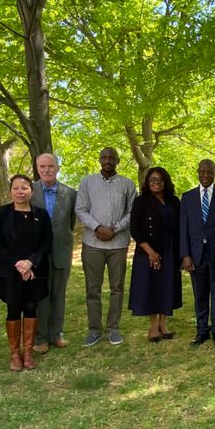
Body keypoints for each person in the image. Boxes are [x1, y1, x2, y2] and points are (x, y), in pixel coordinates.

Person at [75, 147, 137, 346]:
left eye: (112, 157)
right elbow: (81, 210)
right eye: (104, 157)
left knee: (117, 288)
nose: (108, 160)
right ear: (100, 159)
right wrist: (98, 227)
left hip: (118, 244)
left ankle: (113, 329)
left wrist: (115, 229)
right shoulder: (87, 182)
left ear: (118, 160)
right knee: (92, 289)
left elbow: (132, 212)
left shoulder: (127, 184)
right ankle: (94, 330)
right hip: (92, 243)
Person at [0, 174, 53, 371]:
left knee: (31, 307)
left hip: (34, 270)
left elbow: (46, 242)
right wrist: (18, 264)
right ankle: (15, 354)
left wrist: (31, 262)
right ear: (10, 191)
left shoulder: (41, 214)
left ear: (31, 191)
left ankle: (28, 353)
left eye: (24, 188)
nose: (20, 192)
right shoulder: (0, 214)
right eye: (16, 188)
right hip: (9, 272)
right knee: (13, 309)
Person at [180, 159, 215, 347]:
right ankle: (202, 331)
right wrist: (185, 255)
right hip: (195, 255)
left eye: (209, 172)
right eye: (202, 171)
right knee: (199, 294)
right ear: (197, 172)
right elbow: (183, 228)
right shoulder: (188, 197)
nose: (205, 175)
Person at [129, 166, 183, 341]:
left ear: (165, 182)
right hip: (148, 251)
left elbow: (180, 227)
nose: (156, 183)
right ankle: (153, 327)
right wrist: (150, 252)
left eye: (159, 180)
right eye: (152, 180)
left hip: (170, 250)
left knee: (167, 287)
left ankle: (163, 324)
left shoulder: (174, 201)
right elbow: (135, 229)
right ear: (147, 182)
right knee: (152, 288)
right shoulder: (141, 201)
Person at [31, 153, 78, 353]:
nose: (46, 170)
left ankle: (56, 334)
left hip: (61, 250)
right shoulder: (29, 191)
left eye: (50, 166)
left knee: (58, 294)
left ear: (57, 168)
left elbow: (71, 222)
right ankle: (40, 338)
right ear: (37, 168)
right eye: (42, 166)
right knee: (41, 295)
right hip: (36, 253)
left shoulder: (70, 193)